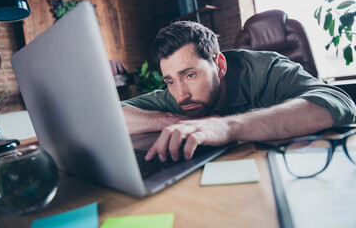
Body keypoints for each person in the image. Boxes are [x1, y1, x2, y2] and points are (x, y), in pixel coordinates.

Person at [121, 21, 356, 162]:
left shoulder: (267, 70)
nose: (181, 95)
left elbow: (340, 103)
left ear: (219, 65)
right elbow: (111, 115)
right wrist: (171, 119)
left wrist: (226, 127)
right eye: (170, 81)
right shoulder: (178, 97)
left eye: (190, 75)